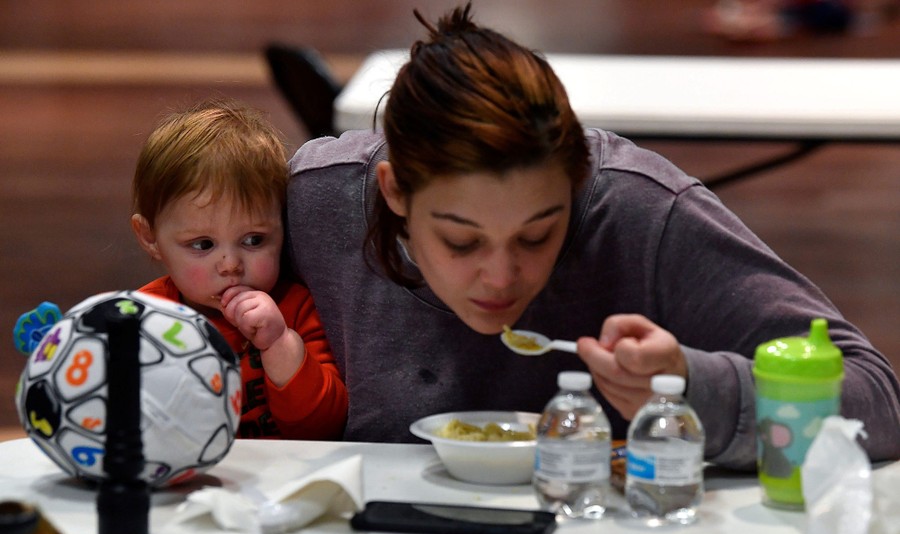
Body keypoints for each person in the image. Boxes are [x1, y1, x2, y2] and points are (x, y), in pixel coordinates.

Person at [284, 4, 900, 469]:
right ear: (394, 193)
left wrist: (690, 384)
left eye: (537, 236)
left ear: (577, 183)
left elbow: (876, 401)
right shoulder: (318, 204)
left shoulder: (639, 212)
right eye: (462, 242)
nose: (500, 278)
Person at [131, 98, 347, 440]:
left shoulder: (295, 309)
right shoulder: (144, 318)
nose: (231, 265)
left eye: (254, 240)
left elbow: (325, 428)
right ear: (150, 237)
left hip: (281, 479)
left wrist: (279, 344)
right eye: (203, 245)